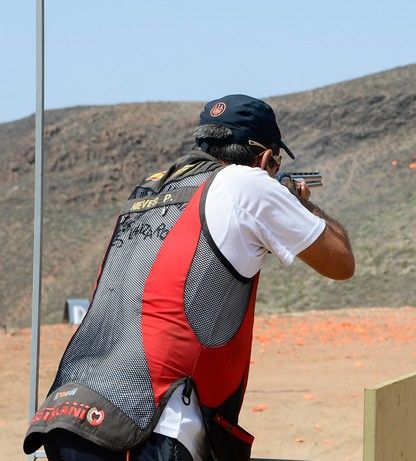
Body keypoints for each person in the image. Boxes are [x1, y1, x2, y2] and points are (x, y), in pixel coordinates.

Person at [23, 94, 355, 461]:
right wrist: (300, 203)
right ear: (263, 157)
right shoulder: (246, 182)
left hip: (73, 414)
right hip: (149, 427)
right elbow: (341, 262)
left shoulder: (151, 188)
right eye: (275, 162)